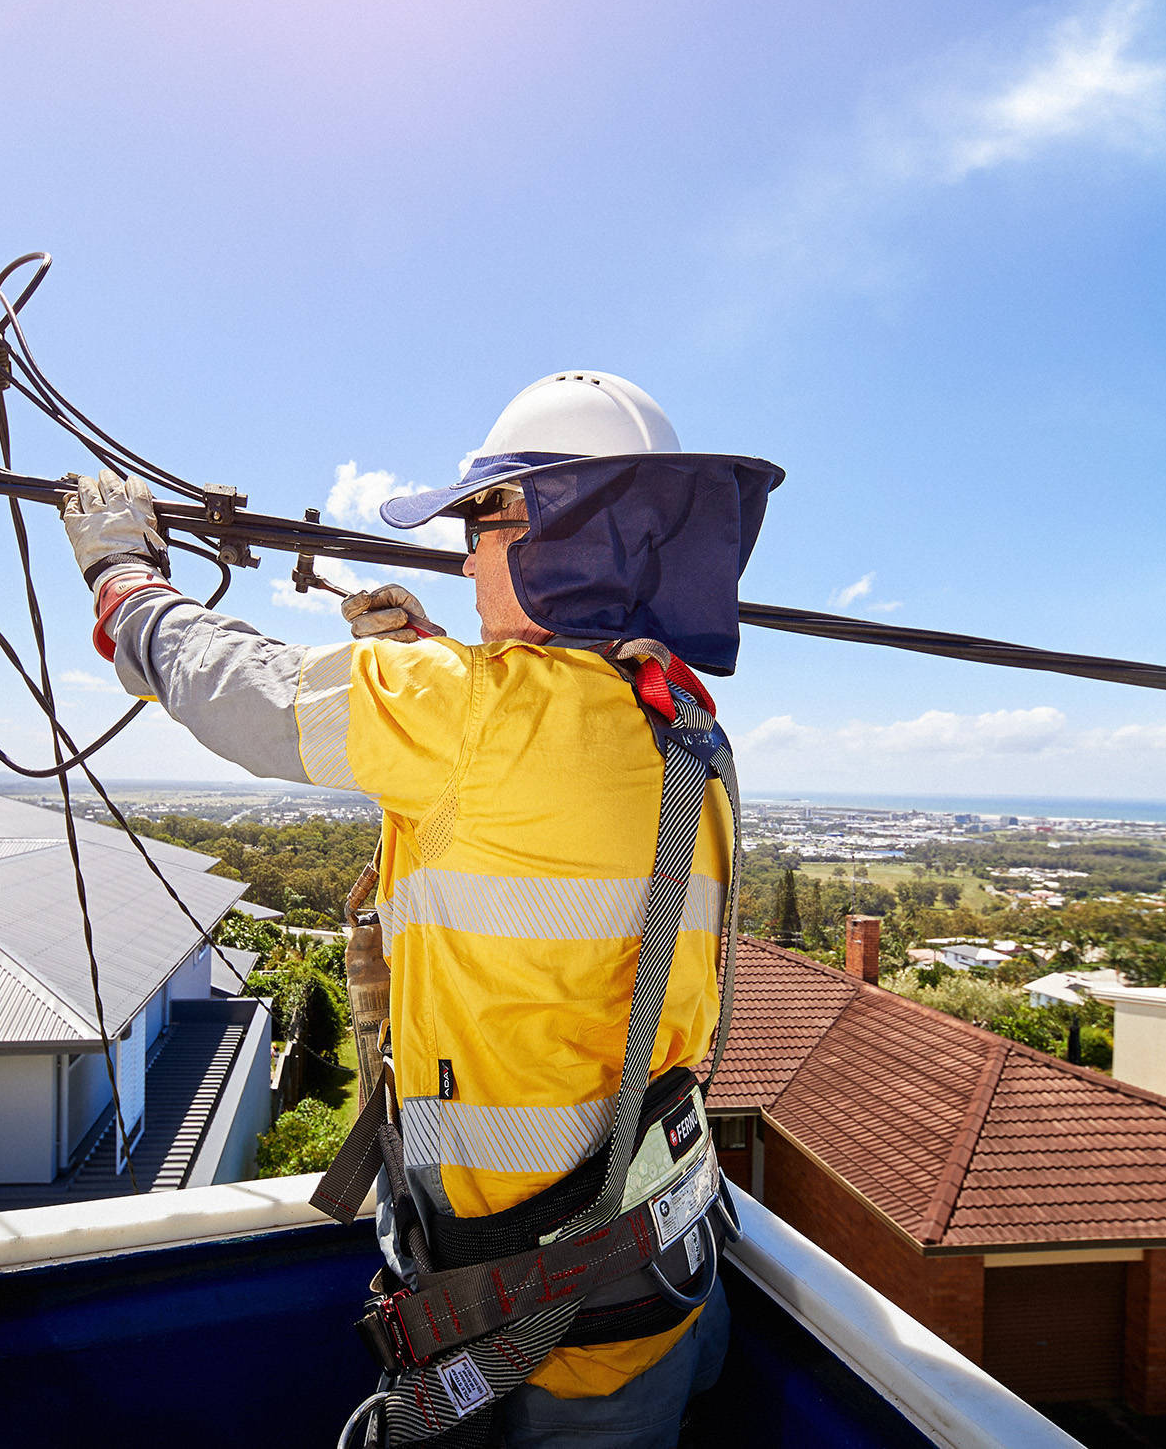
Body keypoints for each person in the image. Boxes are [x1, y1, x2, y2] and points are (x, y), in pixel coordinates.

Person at [62, 372, 781, 1448]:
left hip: (537, 1324)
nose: (463, 553)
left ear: (558, 538)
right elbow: (530, 770)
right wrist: (433, 656)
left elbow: (235, 686)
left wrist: (124, 578)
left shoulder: (465, 715)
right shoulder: (682, 724)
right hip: (661, 1269)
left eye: (483, 524)